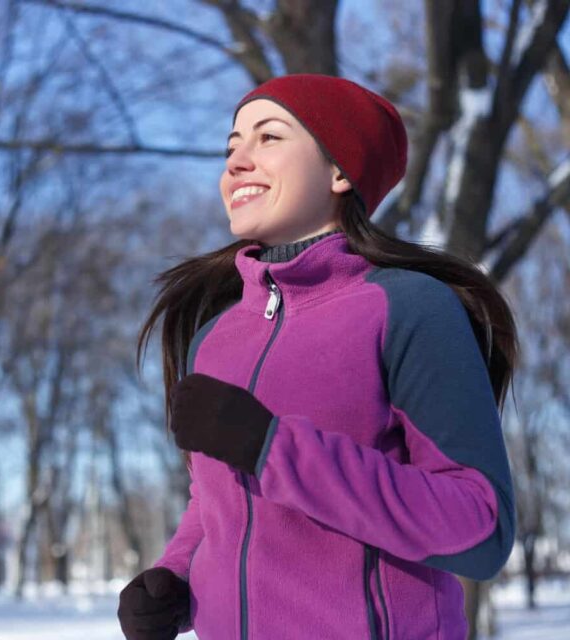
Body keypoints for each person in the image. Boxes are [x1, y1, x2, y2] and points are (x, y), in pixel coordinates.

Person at [118, 73, 518, 640]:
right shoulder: (215, 338)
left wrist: (274, 448)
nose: (236, 163)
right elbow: (216, 503)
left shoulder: (407, 308)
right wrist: (175, 577)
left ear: (339, 171)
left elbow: (481, 526)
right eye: (231, 147)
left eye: (269, 137)